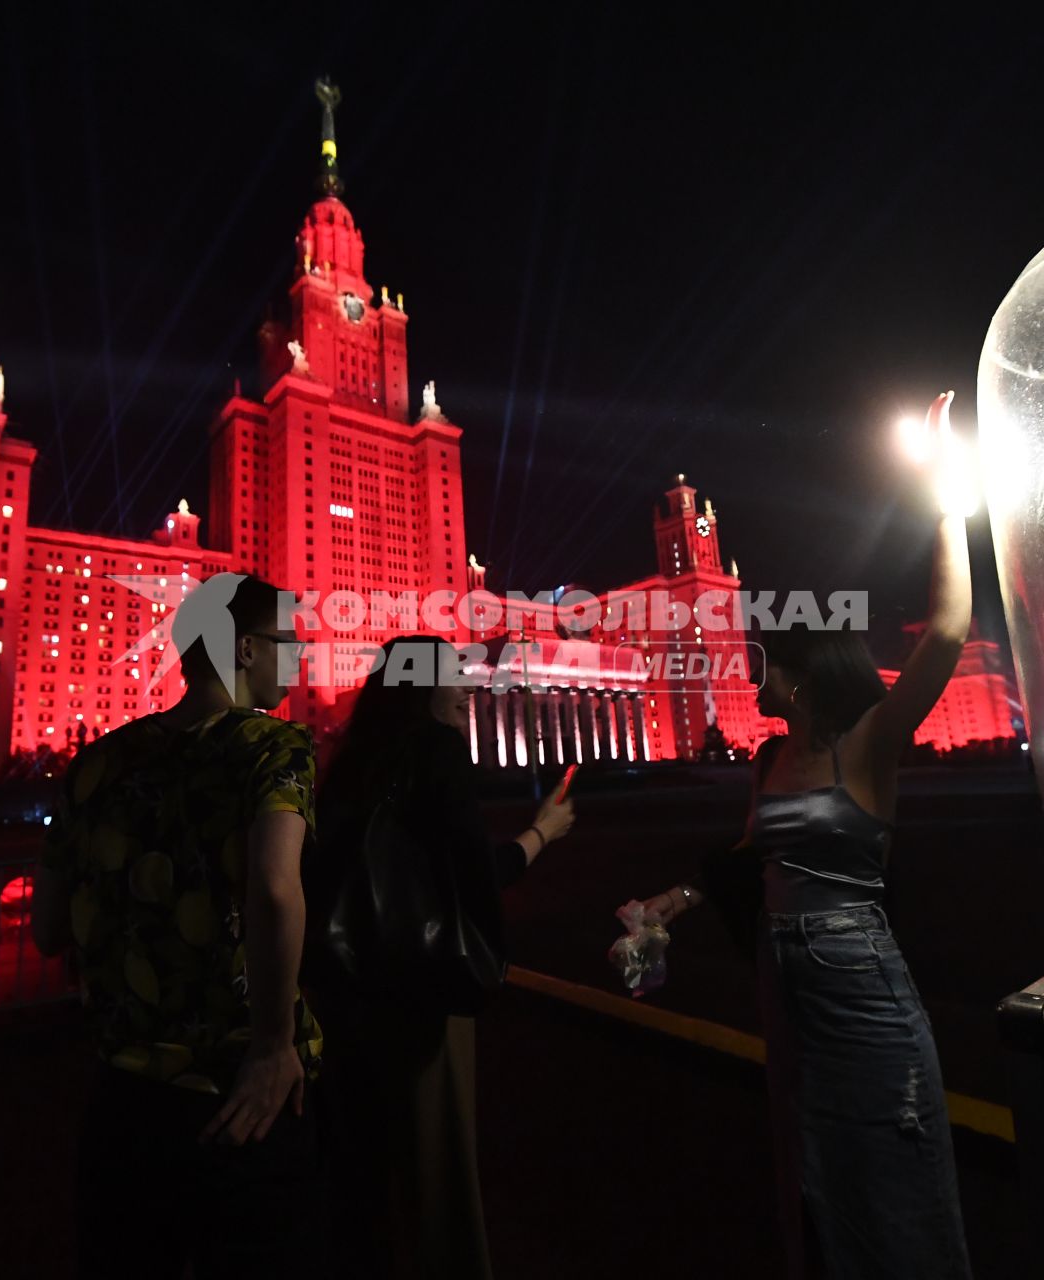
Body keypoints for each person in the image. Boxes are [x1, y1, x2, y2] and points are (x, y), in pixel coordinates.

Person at [633, 391, 976, 1279]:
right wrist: (671, 905)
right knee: (812, 1171)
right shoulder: (768, 762)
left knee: (887, 1172)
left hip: (858, 977)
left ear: (801, 671)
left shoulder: (870, 744)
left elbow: (945, 629)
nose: (752, 676)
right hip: (783, 979)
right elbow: (751, 856)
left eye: (764, 664)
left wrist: (945, 497)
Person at [34, 573, 327, 1279]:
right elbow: (274, 889)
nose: (300, 659)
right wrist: (273, 1043)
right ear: (247, 649)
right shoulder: (271, 748)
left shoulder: (95, 763)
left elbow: (47, 927)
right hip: (236, 1095)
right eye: (291, 642)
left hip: (122, 1104)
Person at [310, 635, 576, 1280]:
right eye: (457, 678)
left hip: (340, 998)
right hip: (420, 990)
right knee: (438, 1173)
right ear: (424, 685)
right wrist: (542, 833)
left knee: (357, 1180)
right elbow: (473, 871)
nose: (468, 690)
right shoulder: (437, 751)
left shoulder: (344, 760)